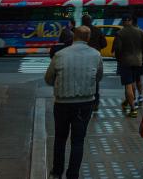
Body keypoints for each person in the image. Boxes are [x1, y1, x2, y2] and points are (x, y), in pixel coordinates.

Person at [44, 26, 103, 179]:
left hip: (62, 103)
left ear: (74, 36)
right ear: (88, 38)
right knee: (78, 140)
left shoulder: (60, 54)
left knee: (60, 138)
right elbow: (98, 77)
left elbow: (48, 79)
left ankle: (57, 172)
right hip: (85, 104)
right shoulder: (96, 55)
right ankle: (73, 174)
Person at [113, 16, 143, 117]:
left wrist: (119, 59)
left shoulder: (120, 33)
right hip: (138, 62)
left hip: (125, 62)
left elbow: (118, 49)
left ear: (124, 22)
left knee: (128, 85)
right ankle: (128, 101)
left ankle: (133, 109)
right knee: (134, 81)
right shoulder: (140, 32)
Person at [81, 14, 107, 111]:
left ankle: (84, 101)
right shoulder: (97, 30)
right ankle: (95, 103)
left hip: (82, 58)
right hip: (95, 57)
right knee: (95, 80)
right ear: (91, 21)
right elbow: (104, 43)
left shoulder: (79, 31)